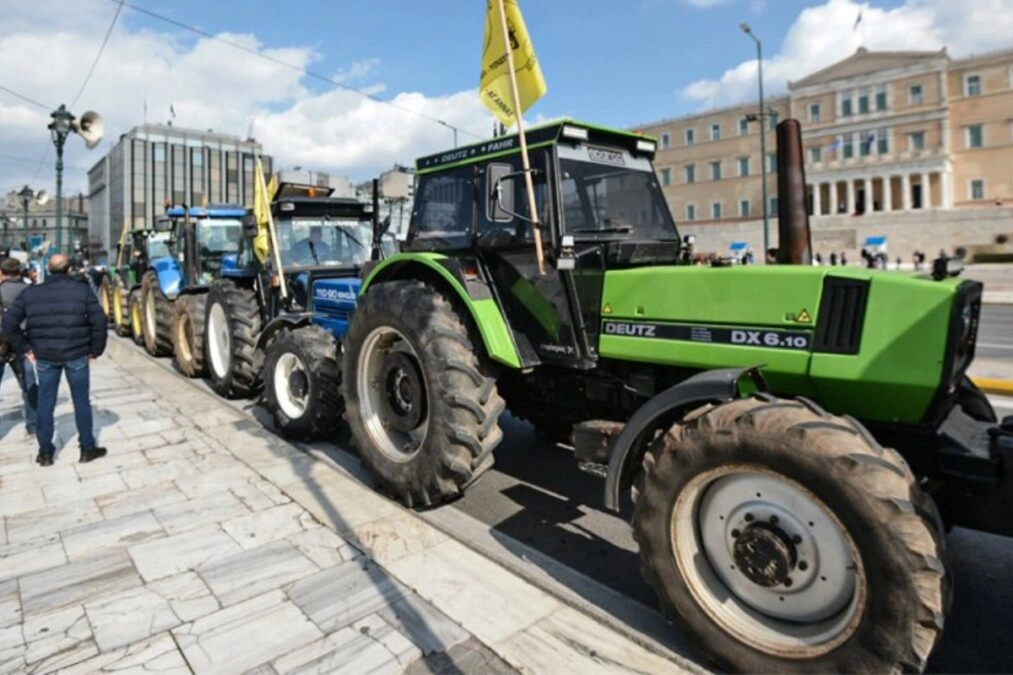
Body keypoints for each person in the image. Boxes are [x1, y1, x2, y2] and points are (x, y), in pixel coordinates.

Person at [2, 254, 107, 466]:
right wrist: (95, 350)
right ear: (69, 270)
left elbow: (9, 323)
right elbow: (100, 322)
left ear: (48, 271)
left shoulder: (31, 293)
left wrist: (25, 348)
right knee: (81, 402)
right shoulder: (82, 291)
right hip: (76, 353)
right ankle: (87, 448)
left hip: (45, 356)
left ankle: (46, 453)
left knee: (45, 403)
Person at [0, 257, 38, 439]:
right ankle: (33, 426)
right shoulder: (30, 290)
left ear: (2, 272)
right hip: (23, 344)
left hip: (1, 344)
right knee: (29, 385)